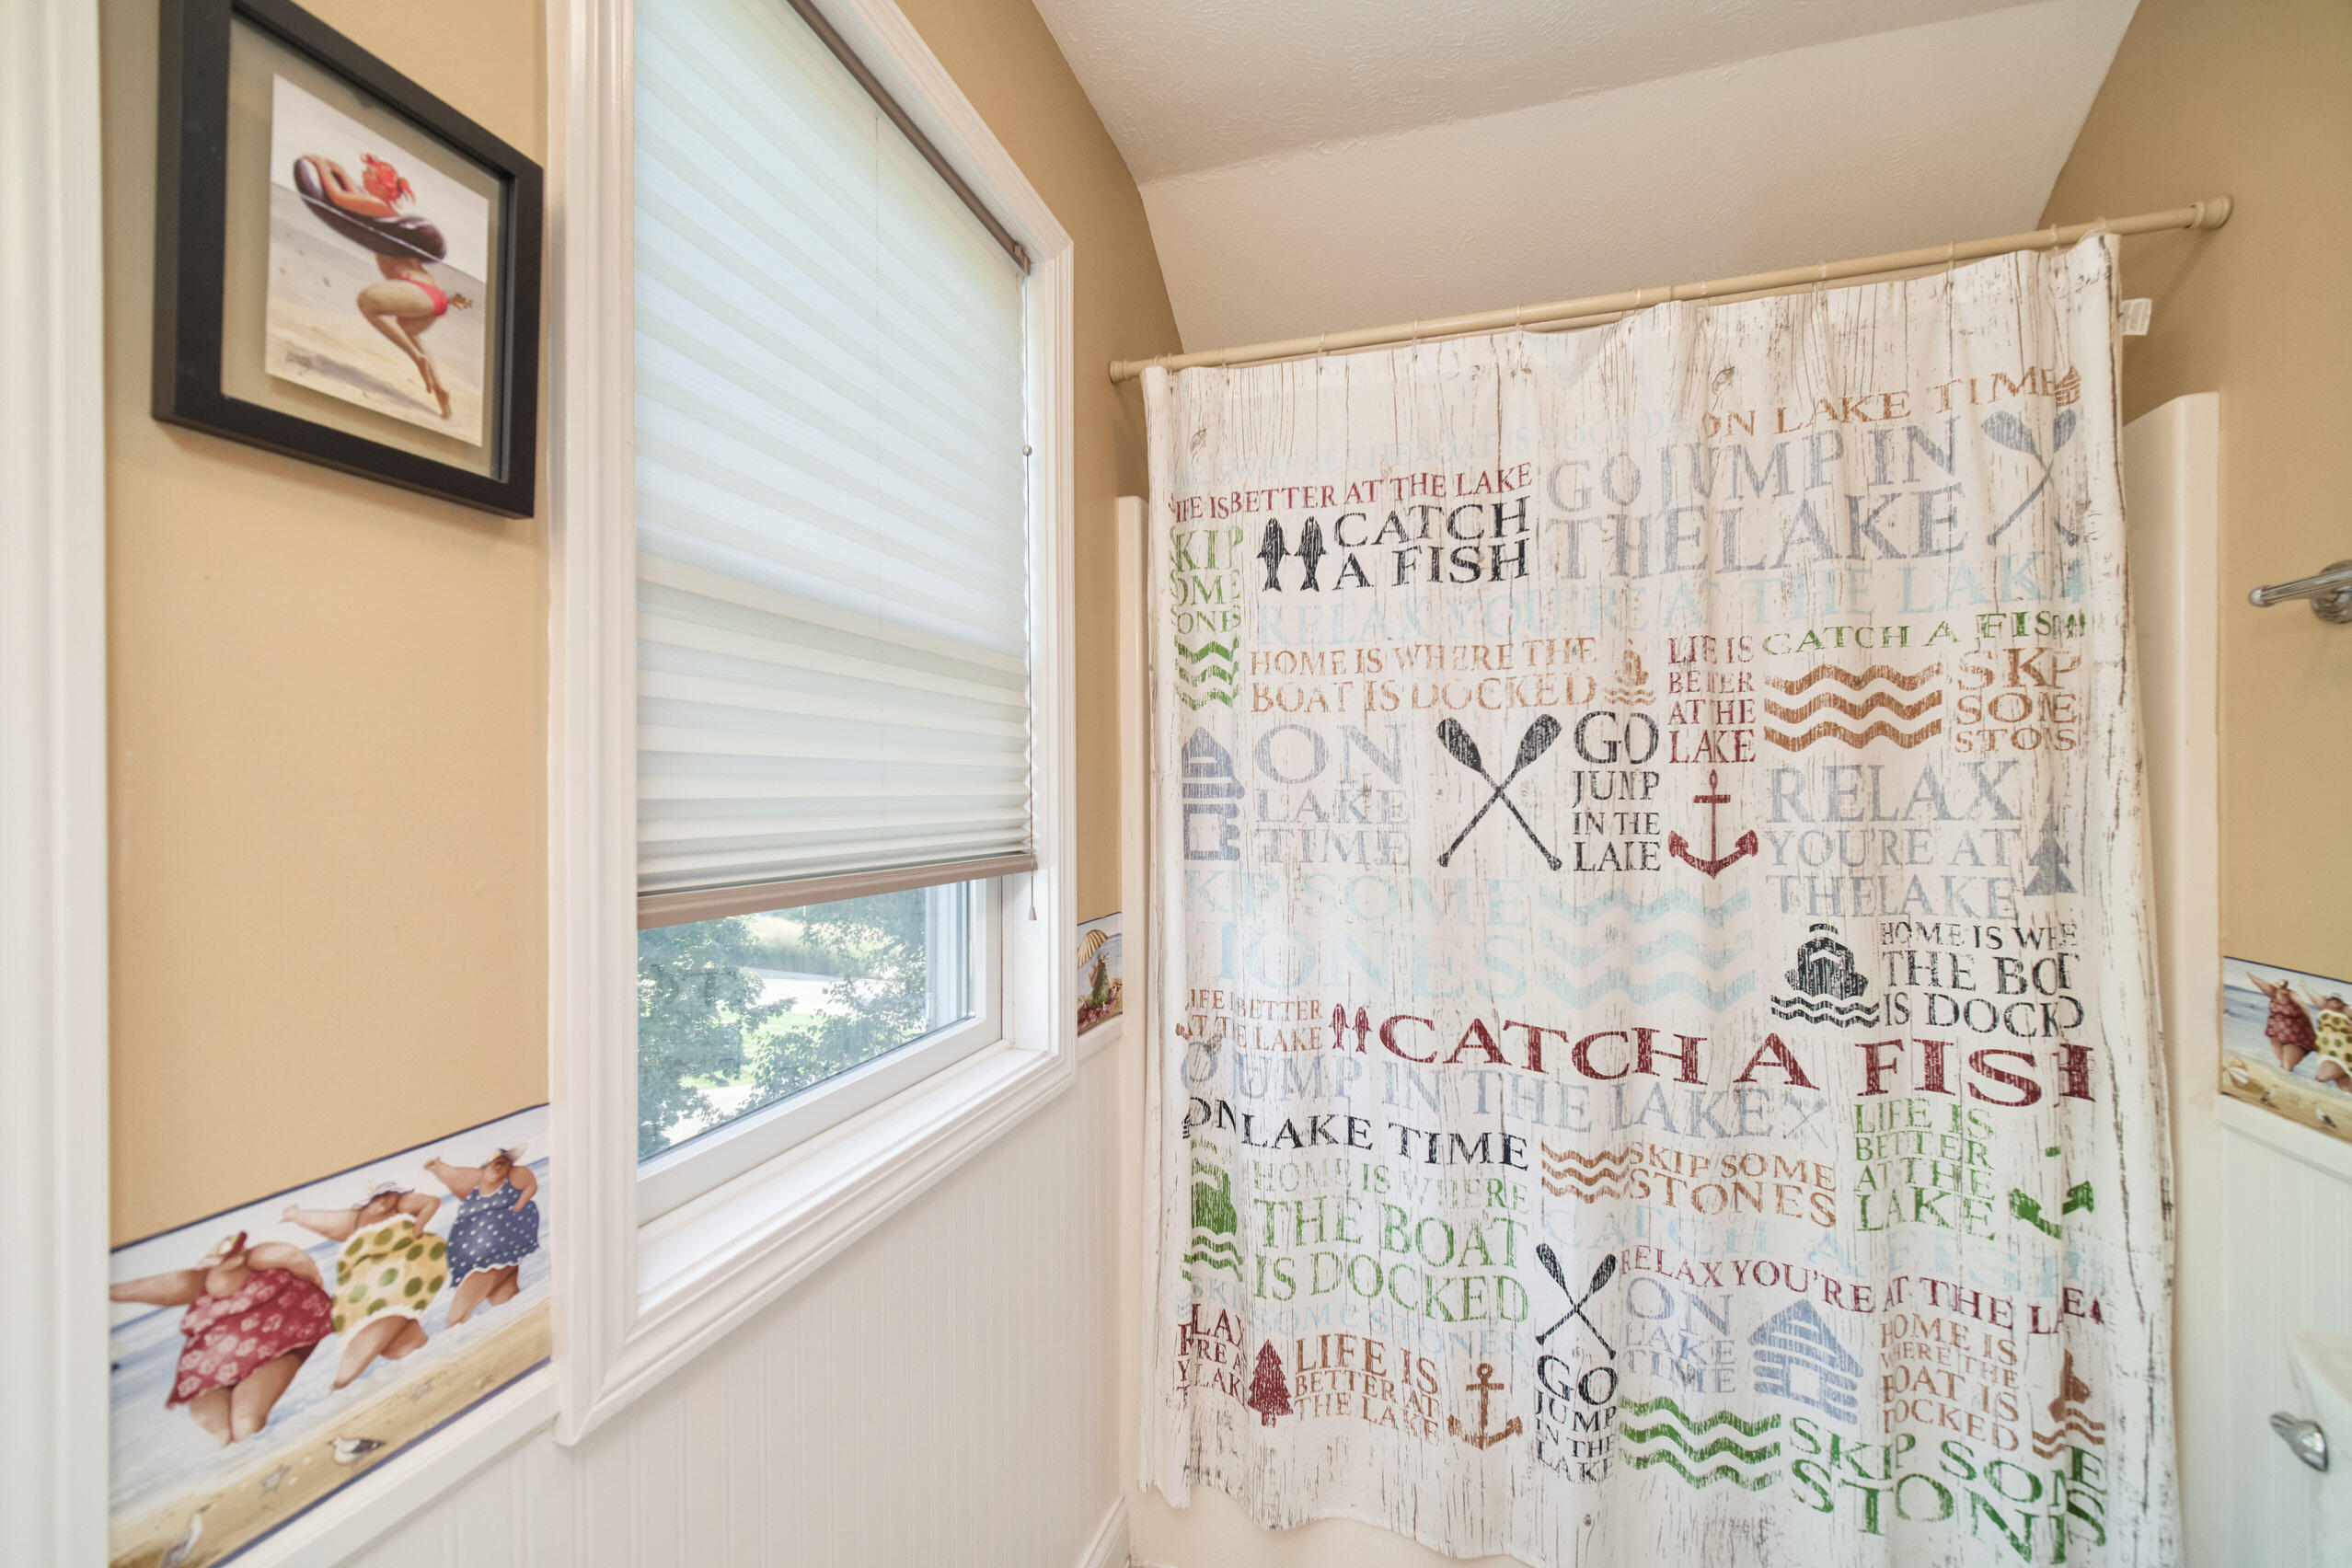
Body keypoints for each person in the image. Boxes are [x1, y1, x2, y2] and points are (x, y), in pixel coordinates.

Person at [290, 153, 472, 421]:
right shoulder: (383, 213)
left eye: (370, 175)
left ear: (382, 186)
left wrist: (320, 165)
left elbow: (339, 198)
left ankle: (417, 358)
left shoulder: (377, 206)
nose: (364, 176)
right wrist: (338, 167)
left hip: (419, 291)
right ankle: (442, 392)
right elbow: (350, 195)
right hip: (431, 294)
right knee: (409, 332)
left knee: (368, 302)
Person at [110, 1230, 334, 1446]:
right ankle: (236, 1453)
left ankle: (248, 1450)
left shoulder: (261, 1260)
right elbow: (153, 1287)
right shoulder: (201, 1282)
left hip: (277, 1347)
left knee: (245, 1421)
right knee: (222, 1430)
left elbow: (303, 1269)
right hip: (213, 1366)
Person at [282, 1183, 446, 1389]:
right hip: (361, 1290)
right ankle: (342, 1391)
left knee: (398, 1333)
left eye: (387, 1194)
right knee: (403, 1344)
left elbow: (432, 1202)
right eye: (376, 1197)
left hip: (399, 1280)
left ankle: (341, 1388)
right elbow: (320, 1220)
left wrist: (419, 1227)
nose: (382, 1200)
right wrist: (296, 1215)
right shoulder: (355, 1218)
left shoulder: (402, 1203)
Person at [423, 1147, 540, 1326]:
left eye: (502, 1162)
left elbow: (531, 1185)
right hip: (495, 1261)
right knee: (511, 1313)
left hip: (490, 1261)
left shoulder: (515, 1176)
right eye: (493, 1163)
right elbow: (453, 1175)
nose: (498, 1167)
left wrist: (521, 1203)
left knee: (456, 1321)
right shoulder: (473, 1184)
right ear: (484, 1167)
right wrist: (437, 1168)